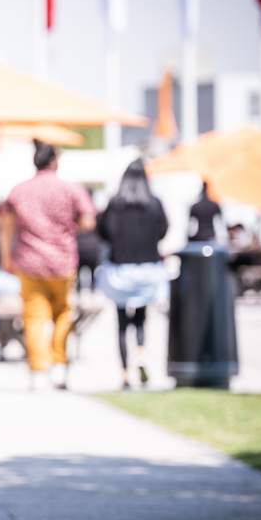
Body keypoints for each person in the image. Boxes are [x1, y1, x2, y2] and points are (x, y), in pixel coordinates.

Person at [0, 142, 95, 390]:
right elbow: (88, 221)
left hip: (29, 262)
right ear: (54, 161)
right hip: (62, 261)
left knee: (34, 317)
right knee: (63, 313)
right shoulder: (70, 189)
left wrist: (7, 257)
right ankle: (59, 365)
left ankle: (39, 369)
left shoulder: (19, 191)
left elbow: (6, 227)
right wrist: (69, 226)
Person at [96, 161, 169, 389]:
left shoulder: (115, 204)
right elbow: (164, 230)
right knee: (140, 320)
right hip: (148, 270)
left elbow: (103, 231)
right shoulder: (154, 204)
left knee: (120, 323)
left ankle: (125, 374)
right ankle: (140, 354)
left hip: (120, 270)